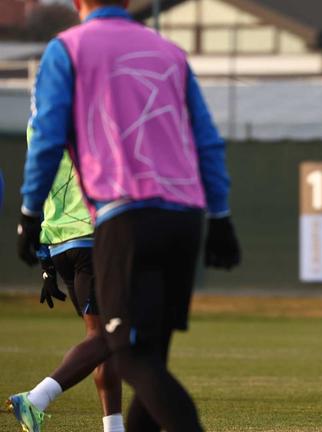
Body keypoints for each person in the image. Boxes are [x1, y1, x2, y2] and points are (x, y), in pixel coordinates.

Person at [15, 0, 240, 430]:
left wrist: (30, 215)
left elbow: (45, 138)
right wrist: (221, 216)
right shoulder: (168, 51)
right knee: (150, 359)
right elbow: (207, 140)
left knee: (127, 355)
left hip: (125, 216)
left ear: (79, 3)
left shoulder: (68, 48)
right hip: (185, 218)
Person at [8, 127, 123, 432]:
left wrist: (46, 264)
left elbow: (39, 189)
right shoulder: (91, 115)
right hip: (92, 237)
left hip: (61, 246)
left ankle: (115, 427)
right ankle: (36, 399)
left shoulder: (37, 127)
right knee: (110, 336)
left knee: (100, 339)